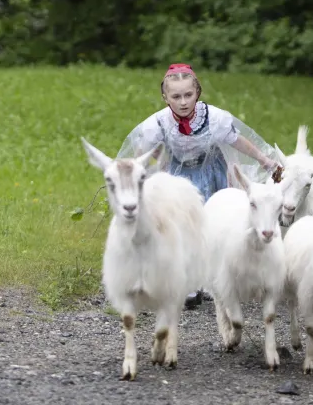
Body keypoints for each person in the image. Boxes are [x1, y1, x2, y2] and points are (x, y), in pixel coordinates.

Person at [116, 63, 283, 309]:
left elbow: (237, 140)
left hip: (211, 173)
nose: (183, 102)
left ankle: (211, 276)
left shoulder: (214, 118)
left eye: (188, 95)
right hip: (179, 177)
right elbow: (142, 153)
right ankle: (188, 283)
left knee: (211, 224)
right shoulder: (158, 124)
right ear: (165, 97)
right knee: (182, 226)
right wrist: (135, 174)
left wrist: (264, 159)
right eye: (176, 96)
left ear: (198, 93)